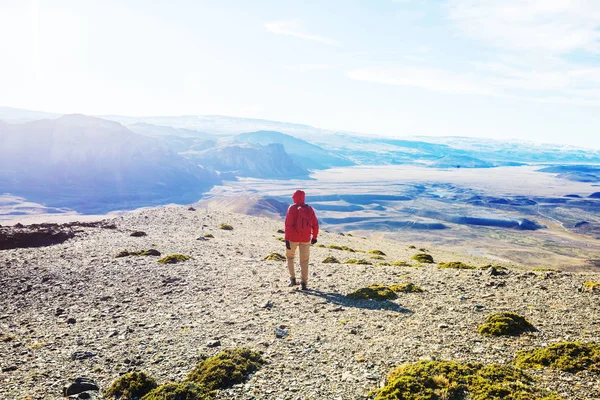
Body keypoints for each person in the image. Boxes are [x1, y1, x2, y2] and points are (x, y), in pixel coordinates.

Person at [284, 190, 319, 290]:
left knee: (290, 258)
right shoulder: (309, 209)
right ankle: (304, 283)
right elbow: (315, 223)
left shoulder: (292, 208)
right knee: (304, 261)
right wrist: (315, 237)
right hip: (305, 239)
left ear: (295, 198)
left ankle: (293, 279)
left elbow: (288, 225)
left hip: (293, 239)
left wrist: (287, 238)